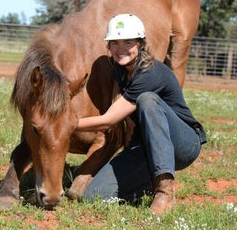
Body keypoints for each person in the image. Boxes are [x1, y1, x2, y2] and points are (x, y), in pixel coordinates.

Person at [76, 13, 207, 217]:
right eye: (115, 43)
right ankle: (144, 185)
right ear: (108, 47)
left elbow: (109, 120)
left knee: (147, 100)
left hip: (183, 144)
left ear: (140, 43)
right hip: (147, 147)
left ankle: (164, 191)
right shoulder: (119, 72)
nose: (121, 49)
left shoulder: (150, 73)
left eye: (128, 42)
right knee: (95, 195)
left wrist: (68, 124)